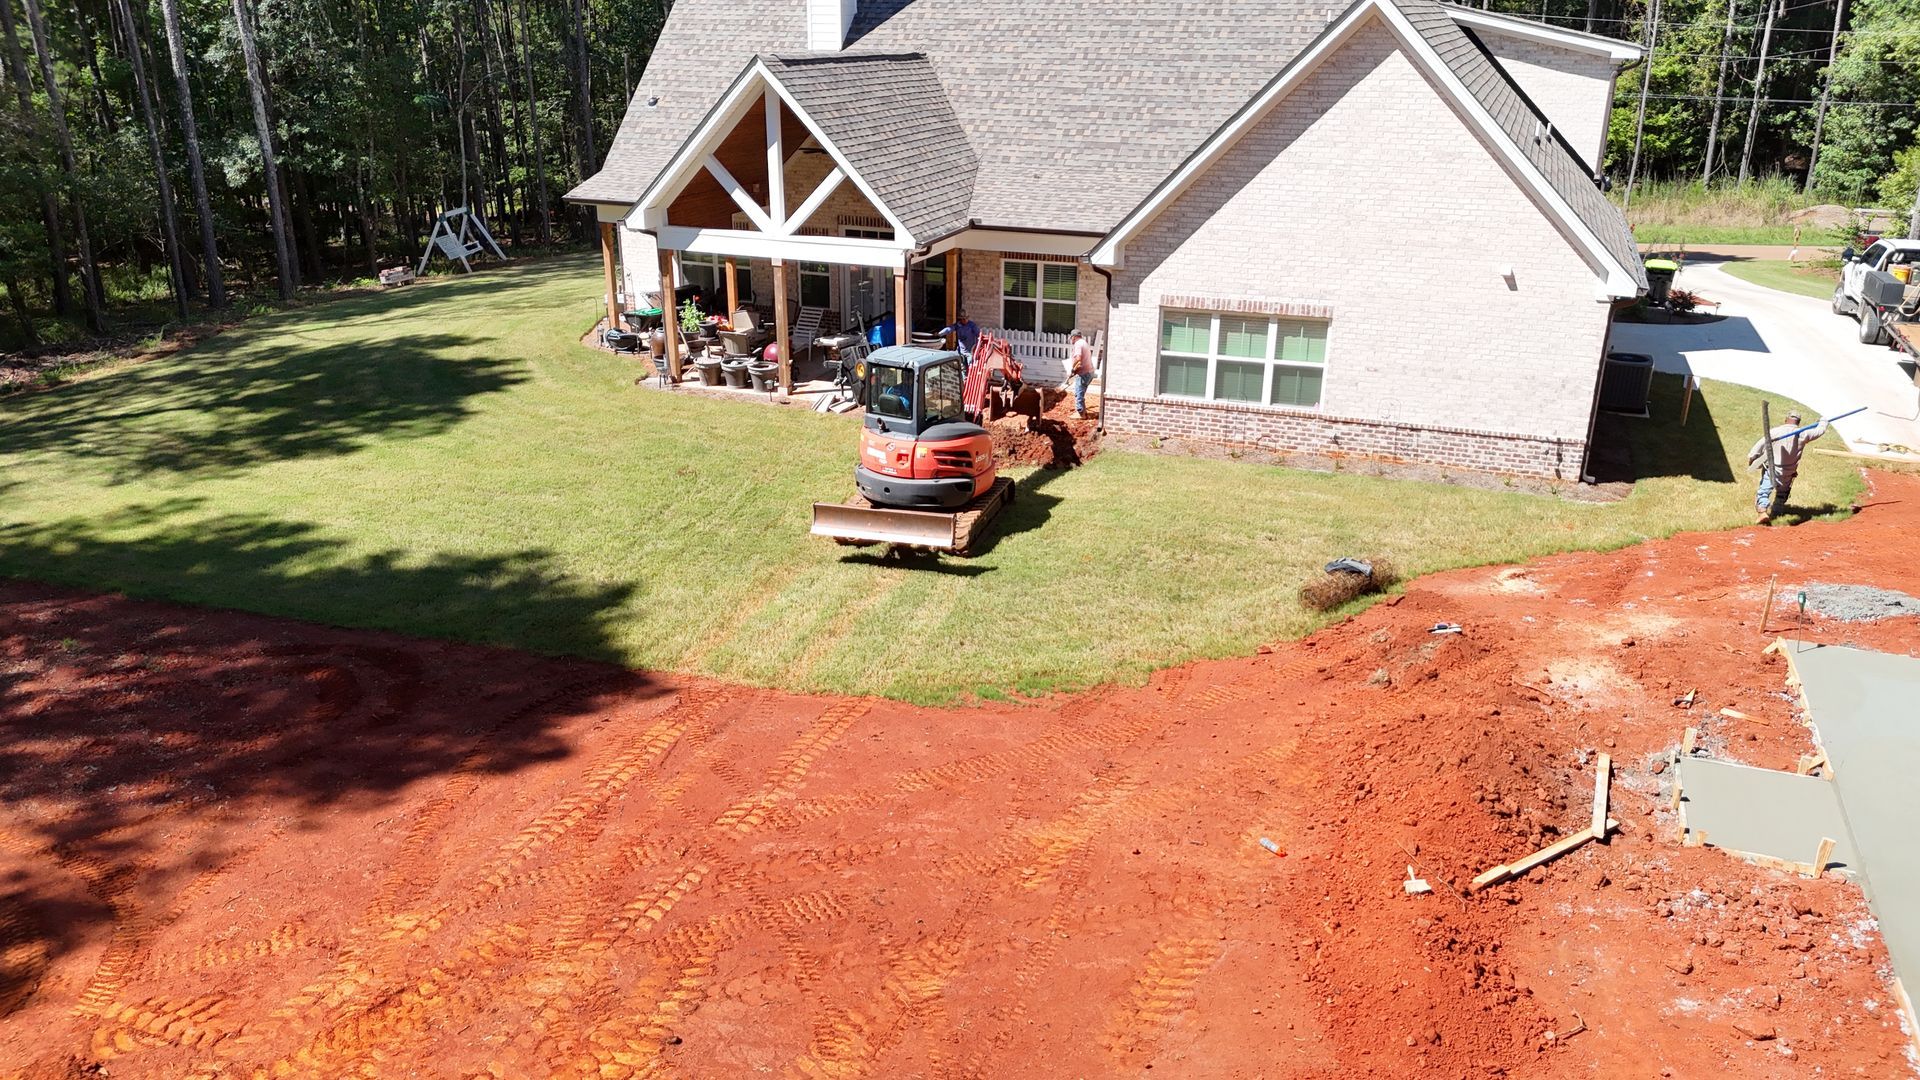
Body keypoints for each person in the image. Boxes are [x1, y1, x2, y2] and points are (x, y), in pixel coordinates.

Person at [1747, 410, 1828, 524]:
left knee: (1764, 491)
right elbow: (1820, 430)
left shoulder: (1775, 432)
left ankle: (1762, 512)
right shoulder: (1804, 434)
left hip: (1773, 469)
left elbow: (1759, 445)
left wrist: (1752, 458)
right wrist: (1823, 421)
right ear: (1798, 422)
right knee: (1782, 492)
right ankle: (1777, 511)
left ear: (1786, 420)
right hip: (1789, 470)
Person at [1065, 329, 1095, 419]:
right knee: (1081, 391)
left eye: (1072, 338)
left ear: (1074, 337)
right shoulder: (1084, 342)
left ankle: (1081, 413)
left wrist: (1073, 370)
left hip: (1084, 373)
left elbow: (1078, 359)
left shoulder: (1078, 344)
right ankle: (1083, 411)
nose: (1071, 340)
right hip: (1089, 371)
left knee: (1078, 393)